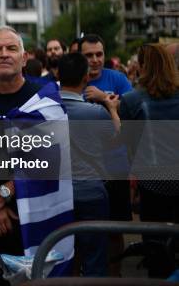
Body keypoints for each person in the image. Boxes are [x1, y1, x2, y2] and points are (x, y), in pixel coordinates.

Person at [0, 26, 73, 286]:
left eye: (11, 48)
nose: (3, 54)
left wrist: (4, 194)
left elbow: (52, 162)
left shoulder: (45, 103)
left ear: (24, 57)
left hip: (33, 219)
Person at [119, 43, 179, 278]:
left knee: (155, 245)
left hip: (153, 182)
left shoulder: (132, 100)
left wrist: (113, 111)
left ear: (142, 67)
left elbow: (125, 143)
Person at [58, 53, 119, 277]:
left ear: (58, 75)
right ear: (86, 78)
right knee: (95, 256)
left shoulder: (47, 112)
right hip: (92, 191)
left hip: (58, 194)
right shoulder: (96, 113)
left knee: (63, 255)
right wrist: (111, 108)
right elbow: (116, 139)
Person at [79, 34, 132, 275]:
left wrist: (102, 98)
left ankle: (116, 276)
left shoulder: (118, 78)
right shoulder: (73, 80)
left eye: (99, 54)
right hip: (85, 168)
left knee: (115, 229)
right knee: (82, 231)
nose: (95, 60)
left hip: (115, 165)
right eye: (89, 55)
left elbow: (132, 107)